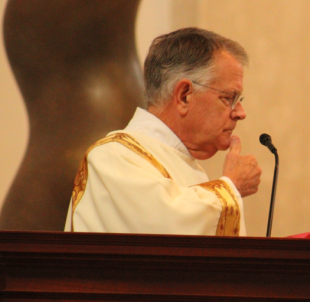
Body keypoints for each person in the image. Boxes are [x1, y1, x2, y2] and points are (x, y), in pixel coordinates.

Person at [64, 27, 261, 236]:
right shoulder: (113, 158)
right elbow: (164, 229)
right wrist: (231, 187)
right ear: (184, 95)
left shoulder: (185, 165)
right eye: (229, 98)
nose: (240, 113)